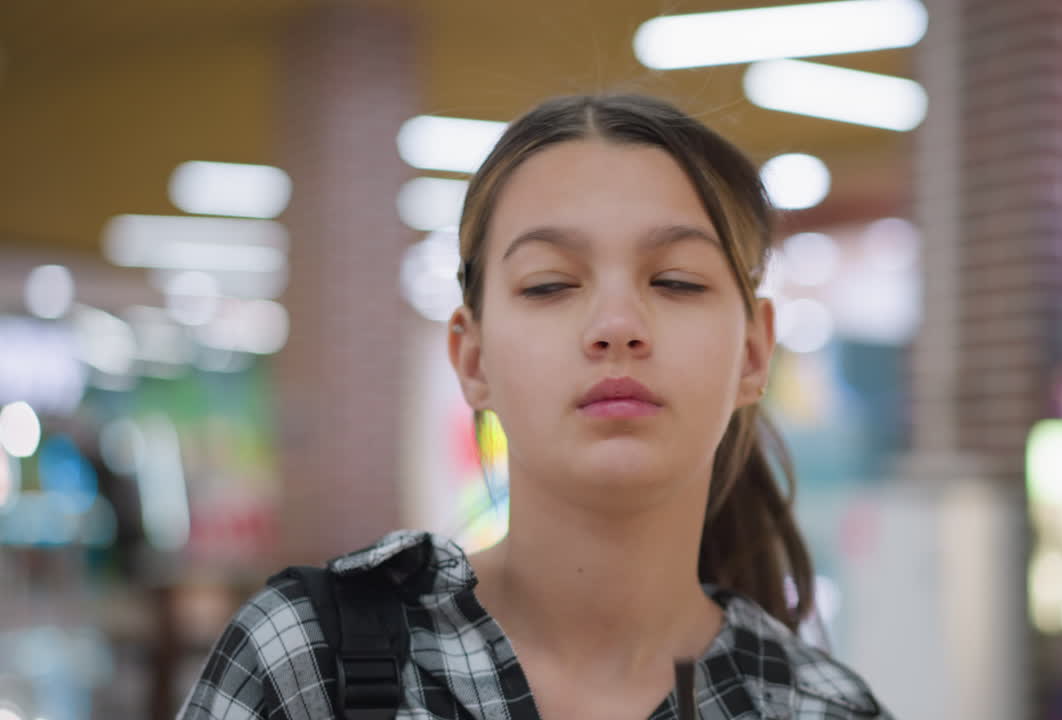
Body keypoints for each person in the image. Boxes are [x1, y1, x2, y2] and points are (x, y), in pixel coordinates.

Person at [177, 94, 891, 719]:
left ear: (755, 353)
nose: (617, 323)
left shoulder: (821, 709)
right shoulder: (307, 660)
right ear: (473, 358)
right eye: (549, 285)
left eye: (675, 281)